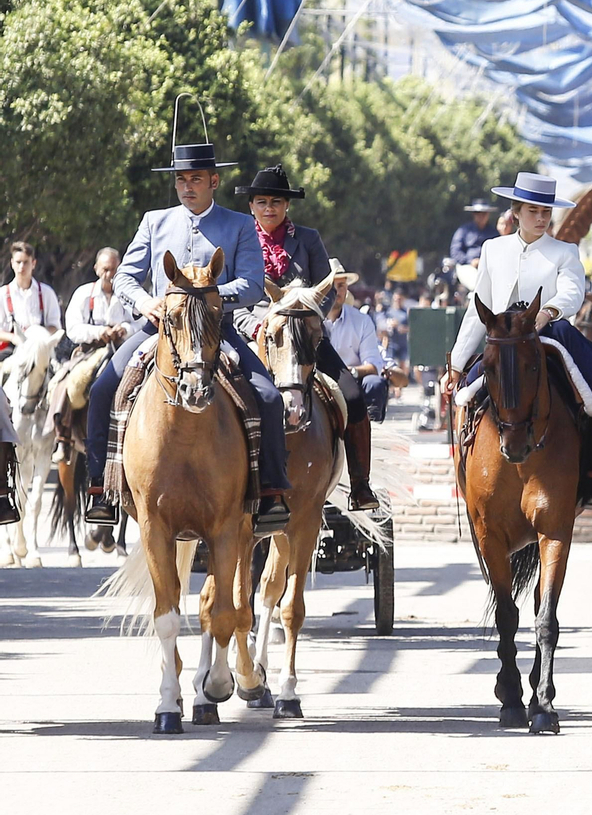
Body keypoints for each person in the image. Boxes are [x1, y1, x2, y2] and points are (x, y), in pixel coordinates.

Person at [83, 139, 292, 534]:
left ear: (214, 181)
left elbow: (250, 285)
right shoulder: (154, 221)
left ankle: (271, 492)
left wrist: (207, 297)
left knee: (268, 395)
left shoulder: (239, 224)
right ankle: (100, 487)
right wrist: (146, 302)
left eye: (196, 179)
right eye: (181, 180)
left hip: (218, 329)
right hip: (160, 327)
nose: (187, 187)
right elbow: (127, 277)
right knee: (101, 389)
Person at [444, 172, 592, 452]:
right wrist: (455, 366)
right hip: (503, 335)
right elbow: (477, 309)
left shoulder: (565, 251)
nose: (541, 218)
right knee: (468, 387)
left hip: (549, 330)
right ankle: (467, 450)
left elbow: (572, 291)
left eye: (546, 212)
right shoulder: (492, 248)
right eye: (533, 211)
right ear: (516, 213)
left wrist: (548, 312)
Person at [237, 165, 382, 509]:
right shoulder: (240, 241)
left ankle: (361, 484)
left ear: (287, 206)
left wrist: (312, 312)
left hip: (304, 335)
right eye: (261, 202)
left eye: (276, 201)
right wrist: (254, 325)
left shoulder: (309, 238)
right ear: (251, 207)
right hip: (258, 335)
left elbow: (328, 288)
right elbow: (234, 298)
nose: (269, 208)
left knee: (352, 394)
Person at [47, 247, 136, 462]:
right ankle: (64, 437)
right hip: (89, 350)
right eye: (106, 269)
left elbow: (140, 321)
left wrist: (124, 329)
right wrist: (100, 332)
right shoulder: (84, 293)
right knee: (70, 382)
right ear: (97, 269)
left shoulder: (129, 293)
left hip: (122, 349)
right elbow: (74, 328)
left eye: (114, 269)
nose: (110, 274)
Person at [323, 266, 392, 423]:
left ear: (346, 288)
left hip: (353, 380)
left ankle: (371, 434)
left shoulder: (361, 321)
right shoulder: (312, 320)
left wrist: (348, 373)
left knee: (374, 383)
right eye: (331, 286)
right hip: (319, 382)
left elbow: (374, 366)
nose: (337, 291)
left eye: (341, 286)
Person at [0, 241, 62, 353]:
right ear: (12, 263)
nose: (21, 267)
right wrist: (13, 338)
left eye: (26, 262)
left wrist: (38, 334)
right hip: (13, 347)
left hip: (41, 346)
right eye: (18, 262)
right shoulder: (3, 294)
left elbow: (55, 326)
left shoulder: (46, 293)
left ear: (33, 263)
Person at [450, 199, 499, 290]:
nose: (481, 216)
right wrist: (470, 261)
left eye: (484, 213)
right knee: (477, 284)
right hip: (466, 266)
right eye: (478, 213)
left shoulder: (494, 233)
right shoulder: (464, 230)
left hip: (489, 268)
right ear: (473, 214)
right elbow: (455, 251)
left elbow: (499, 252)